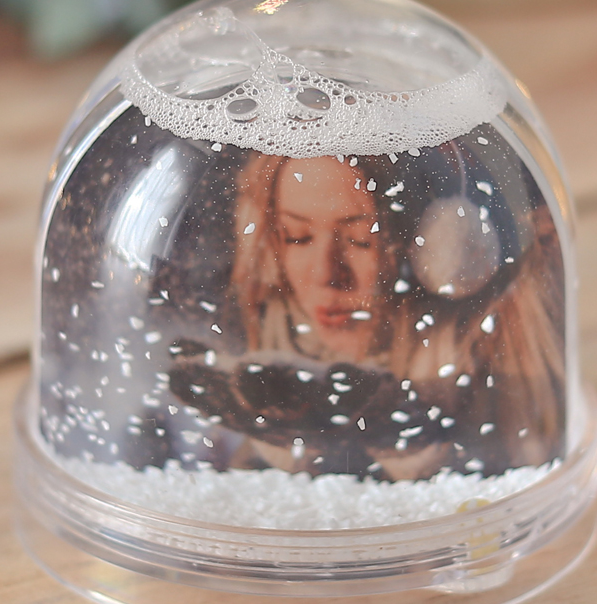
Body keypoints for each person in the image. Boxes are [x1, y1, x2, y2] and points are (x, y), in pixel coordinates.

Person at [168, 141, 566, 480]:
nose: (327, 274)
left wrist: (406, 439)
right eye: (297, 237)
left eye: (361, 240)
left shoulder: (489, 358)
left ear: (429, 248)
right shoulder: (271, 335)